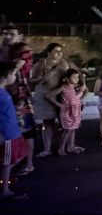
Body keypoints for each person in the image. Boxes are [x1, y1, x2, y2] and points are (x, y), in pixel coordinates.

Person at [30, 43, 82, 157]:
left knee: (70, 123)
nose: (59, 53)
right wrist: (45, 77)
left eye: (60, 51)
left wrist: (82, 86)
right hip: (46, 94)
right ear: (48, 52)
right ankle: (46, 149)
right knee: (48, 122)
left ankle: (70, 146)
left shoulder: (66, 63)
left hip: (63, 95)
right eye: (56, 51)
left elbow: (79, 74)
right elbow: (32, 80)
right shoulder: (42, 63)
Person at [0, 24, 35, 175]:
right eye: (5, 33)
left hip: (19, 97)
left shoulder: (23, 50)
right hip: (4, 95)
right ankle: (10, 162)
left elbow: (15, 67)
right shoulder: (3, 50)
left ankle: (28, 163)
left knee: (25, 129)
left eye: (11, 33)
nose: (7, 36)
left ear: (20, 36)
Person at [0, 61, 29, 201]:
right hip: (7, 135)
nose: (15, 76)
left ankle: (4, 176)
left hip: (14, 132)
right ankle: (4, 191)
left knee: (23, 152)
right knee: (6, 163)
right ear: (6, 75)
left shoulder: (3, 90)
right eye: (13, 73)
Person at [48, 69, 87, 156]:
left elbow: (86, 89)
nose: (76, 79)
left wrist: (81, 99)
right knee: (67, 130)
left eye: (77, 77)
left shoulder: (77, 86)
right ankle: (61, 148)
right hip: (67, 112)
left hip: (76, 111)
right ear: (67, 78)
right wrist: (59, 104)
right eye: (73, 77)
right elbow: (50, 96)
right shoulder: (64, 87)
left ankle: (70, 147)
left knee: (73, 129)